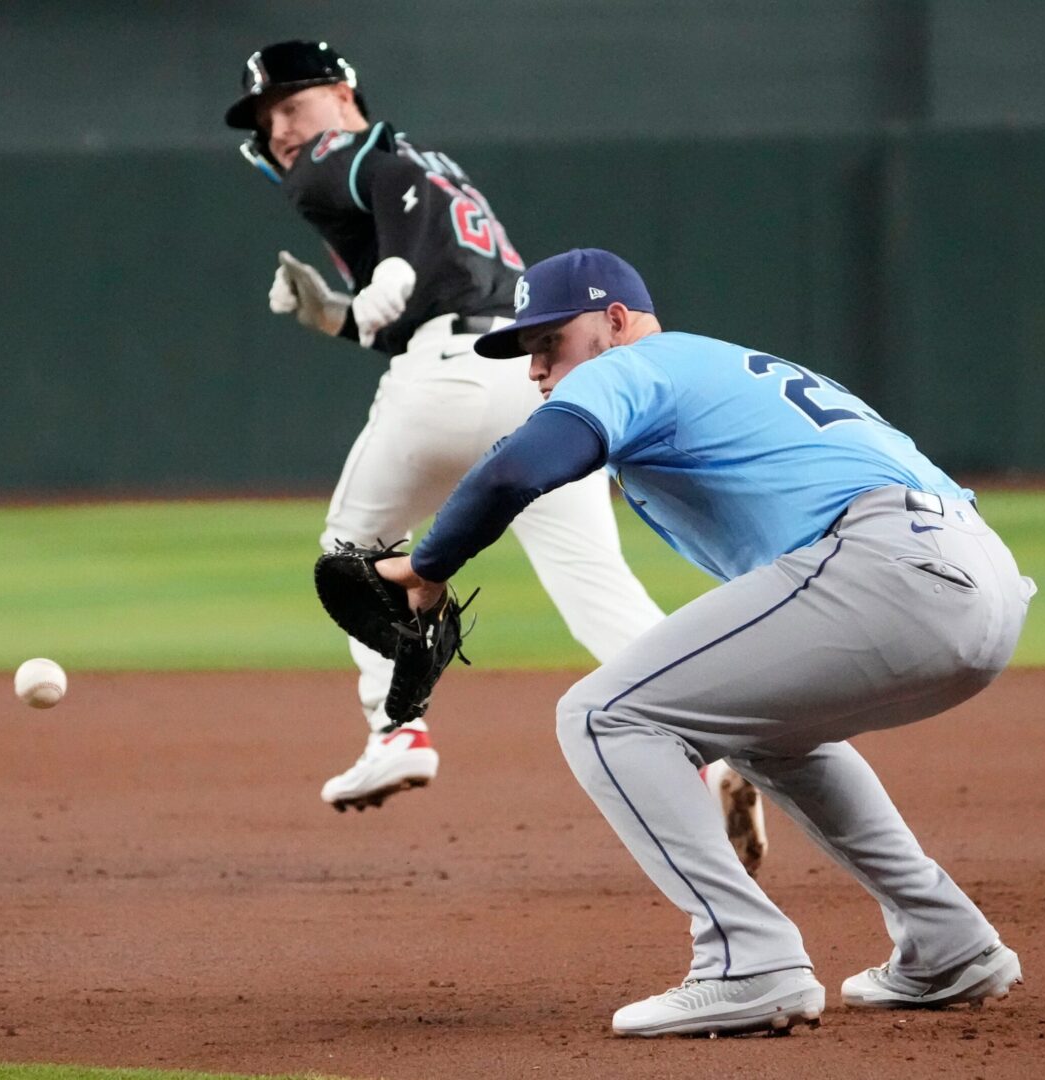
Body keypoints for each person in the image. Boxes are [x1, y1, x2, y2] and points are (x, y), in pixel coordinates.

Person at [376, 248, 1036, 1037]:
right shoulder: (723, 368)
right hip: (978, 578)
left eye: (549, 341)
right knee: (767, 734)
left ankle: (746, 960)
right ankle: (947, 941)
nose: (535, 367)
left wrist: (425, 566)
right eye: (527, 350)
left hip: (887, 566)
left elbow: (514, 473)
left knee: (602, 714)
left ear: (614, 321)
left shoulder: (633, 364)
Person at [222, 37, 768, 868]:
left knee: (350, 554)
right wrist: (340, 311)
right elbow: (421, 291)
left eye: (292, 106)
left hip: (447, 378)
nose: (281, 130)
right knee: (596, 587)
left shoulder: (356, 154)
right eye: (268, 120)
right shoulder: (425, 169)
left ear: (342, 96)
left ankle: (395, 728)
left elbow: (390, 189)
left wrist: (393, 266)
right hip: (528, 381)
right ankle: (715, 749)